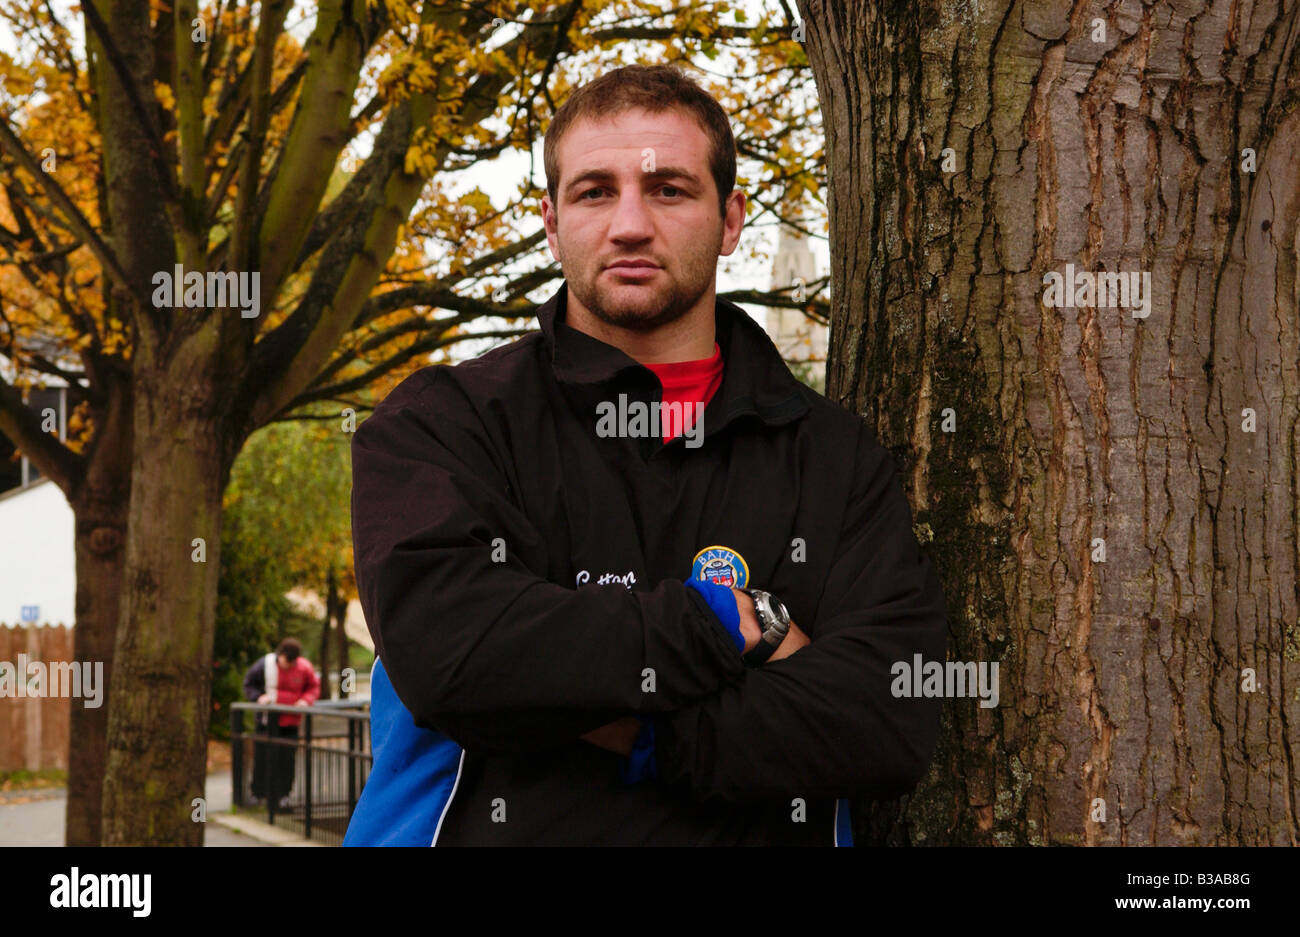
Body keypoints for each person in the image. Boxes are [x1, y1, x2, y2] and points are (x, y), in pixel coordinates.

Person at [343, 63, 948, 846]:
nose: (630, 223)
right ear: (552, 223)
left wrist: (633, 725)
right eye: (595, 191)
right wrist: (735, 622)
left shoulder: (832, 456)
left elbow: (884, 720)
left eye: (669, 190)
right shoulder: (444, 423)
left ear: (730, 220)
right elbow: (456, 656)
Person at [242, 637, 320, 809]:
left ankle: (283, 795)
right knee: (262, 758)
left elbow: (313, 687)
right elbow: (249, 684)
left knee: (287, 761)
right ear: (280, 655)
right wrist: (257, 697)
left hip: (290, 722)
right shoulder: (265, 665)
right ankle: (258, 793)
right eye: (287, 661)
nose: (289, 665)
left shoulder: (304, 668)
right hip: (267, 720)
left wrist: (306, 700)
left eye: (293, 662)